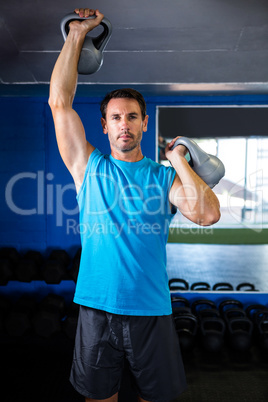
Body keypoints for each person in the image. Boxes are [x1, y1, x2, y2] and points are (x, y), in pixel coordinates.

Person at [49, 7, 221, 402]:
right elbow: (60, 102)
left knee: (154, 398)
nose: (123, 124)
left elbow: (208, 213)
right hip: (97, 306)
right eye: (115, 117)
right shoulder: (88, 167)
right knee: (99, 399)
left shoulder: (164, 179)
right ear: (104, 125)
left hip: (151, 308)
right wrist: (77, 34)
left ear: (144, 123)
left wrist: (177, 158)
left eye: (131, 117)